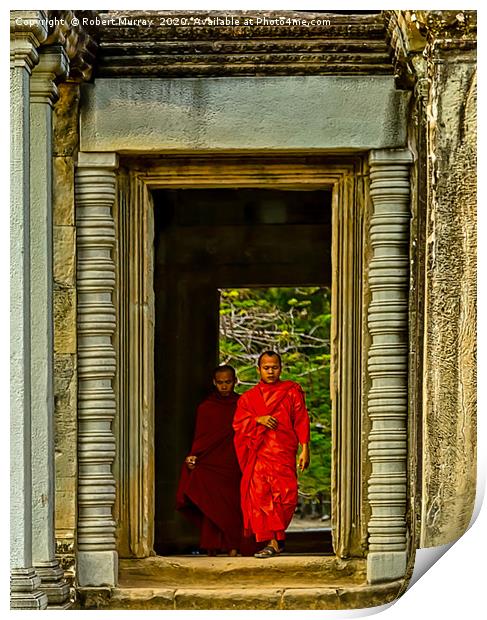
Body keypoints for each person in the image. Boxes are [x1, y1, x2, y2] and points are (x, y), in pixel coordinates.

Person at [232, 351, 310, 558]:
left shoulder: (291, 391)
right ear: (258, 369)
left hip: (283, 452)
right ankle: (272, 542)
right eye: (266, 367)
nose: (270, 371)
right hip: (260, 454)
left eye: (274, 367)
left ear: (280, 369)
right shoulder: (249, 398)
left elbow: (301, 418)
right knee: (261, 497)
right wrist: (258, 420)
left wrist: (305, 448)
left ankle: (277, 538)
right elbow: (238, 425)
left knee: (286, 496)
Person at [175, 365, 244, 556]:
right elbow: (201, 439)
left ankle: (233, 545)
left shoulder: (243, 404)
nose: (224, 386)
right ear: (214, 383)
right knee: (212, 503)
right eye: (220, 383)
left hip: (234, 463)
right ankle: (212, 545)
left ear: (235, 381)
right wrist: (193, 457)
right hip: (212, 465)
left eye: (228, 382)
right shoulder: (206, 408)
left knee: (232, 505)